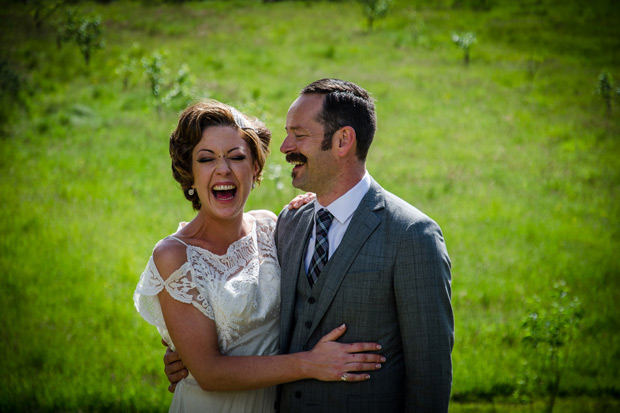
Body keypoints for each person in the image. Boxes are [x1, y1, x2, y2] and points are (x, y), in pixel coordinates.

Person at [165, 79, 454, 412]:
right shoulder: (289, 222)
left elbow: (430, 379)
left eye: (299, 135)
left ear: (343, 140)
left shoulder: (412, 236)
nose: (285, 147)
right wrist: (186, 352)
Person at [134, 99, 385, 413]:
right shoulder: (174, 257)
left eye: (236, 157)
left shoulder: (271, 227)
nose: (223, 169)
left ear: (254, 168)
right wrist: (311, 364)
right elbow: (209, 373)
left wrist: (317, 205)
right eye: (206, 158)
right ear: (190, 172)